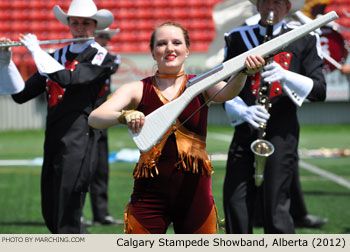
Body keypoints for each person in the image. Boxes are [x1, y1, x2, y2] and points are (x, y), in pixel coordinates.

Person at [88, 21, 265, 234]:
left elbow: (229, 92)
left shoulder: (202, 83)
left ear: (187, 51)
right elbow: (95, 118)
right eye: (162, 43)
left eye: (177, 42)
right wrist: (124, 116)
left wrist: (244, 73)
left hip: (195, 196)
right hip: (148, 196)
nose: (170, 48)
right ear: (153, 52)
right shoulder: (137, 88)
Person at [0, 0, 116, 233]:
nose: (80, 28)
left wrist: (36, 51)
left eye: (86, 23)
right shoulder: (56, 55)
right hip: (53, 138)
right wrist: (6, 62)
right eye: (75, 22)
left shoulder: (102, 57)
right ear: (68, 24)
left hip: (80, 139)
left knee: (68, 214)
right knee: (52, 213)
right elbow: (20, 95)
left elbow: (69, 79)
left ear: (95, 26)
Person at [222, 0, 327, 233]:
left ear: (288, 6)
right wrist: (240, 110)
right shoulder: (238, 37)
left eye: (278, 2)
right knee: (235, 201)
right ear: (257, 5)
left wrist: (286, 76)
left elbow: (320, 91)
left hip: (282, 131)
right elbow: (221, 87)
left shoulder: (305, 38)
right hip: (246, 127)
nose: (272, 6)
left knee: (275, 204)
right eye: (266, 1)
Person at [81, 27, 122, 226]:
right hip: (82, 116)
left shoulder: (110, 58)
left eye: (106, 37)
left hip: (101, 115)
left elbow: (108, 67)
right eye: (101, 36)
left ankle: (101, 213)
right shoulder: (84, 57)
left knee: (100, 168)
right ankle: (76, 212)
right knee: (81, 167)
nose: (104, 40)